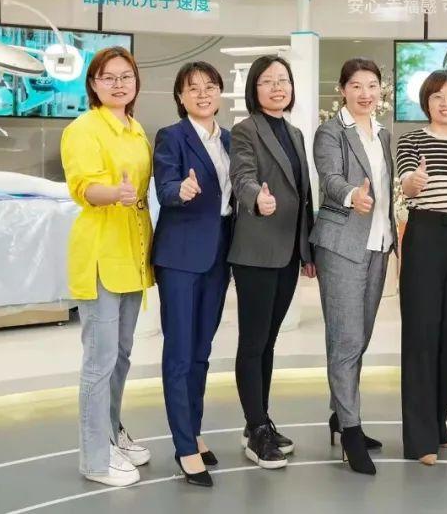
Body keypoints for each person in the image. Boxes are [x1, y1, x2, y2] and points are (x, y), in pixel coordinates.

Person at [61, 46, 153, 487]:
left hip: (133, 256)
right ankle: (95, 458)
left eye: (126, 76)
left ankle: (112, 433)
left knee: (121, 355)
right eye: (108, 77)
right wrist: (112, 193)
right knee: (100, 360)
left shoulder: (136, 130)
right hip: (100, 254)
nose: (119, 84)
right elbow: (83, 187)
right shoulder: (83, 129)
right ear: (93, 85)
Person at [228, 55, 315, 471]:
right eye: (267, 81)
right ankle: (256, 430)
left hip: (288, 251)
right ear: (254, 89)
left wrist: (307, 250)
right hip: (257, 251)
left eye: (283, 80)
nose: (277, 88)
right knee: (252, 343)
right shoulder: (245, 130)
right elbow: (242, 176)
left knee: (269, 341)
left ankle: (259, 421)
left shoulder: (295, 132)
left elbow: (304, 195)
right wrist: (255, 199)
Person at [311, 57, 396, 475]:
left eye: (372, 85)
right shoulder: (330, 132)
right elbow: (329, 178)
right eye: (357, 86)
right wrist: (351, 196)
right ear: (342, 90)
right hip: (342, 245)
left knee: (359, 338)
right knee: (345, 341)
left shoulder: (384, 134)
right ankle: (351, 431)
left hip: (378, 244)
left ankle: (340, 414)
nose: (366, 93)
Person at [151, 62, 232, 487]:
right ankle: (184, 447)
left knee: (201, 350)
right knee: (180, 354)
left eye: (210, 86)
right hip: (181, 258)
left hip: (218, 256)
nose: (203, 94)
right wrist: (180, 191)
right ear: (180, 97)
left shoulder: (230, 140)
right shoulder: (172, 136)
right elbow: (165, 185)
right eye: (193, 88)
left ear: (220, 92)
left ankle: (194, 432)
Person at [397, 69, 447, 466]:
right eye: (438, 96)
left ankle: (438, 421)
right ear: (426, 101)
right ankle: (419, 438)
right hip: (424, 233)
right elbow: (407, 184)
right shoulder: (411, 141)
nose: (446, 103)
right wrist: (414, 182)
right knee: (421, 334)